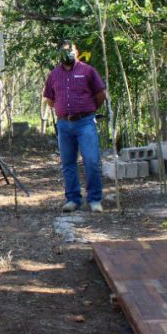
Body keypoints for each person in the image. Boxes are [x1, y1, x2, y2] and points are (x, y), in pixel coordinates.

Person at [43, 41, 107, 213]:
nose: (68, 54)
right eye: (64, 51)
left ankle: (94, 199)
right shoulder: (54, 74)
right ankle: (73, 199)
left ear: (77, 52)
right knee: (68, 163)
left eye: (71, 50)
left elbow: (100, 94)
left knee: (92, 160)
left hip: (85, 122)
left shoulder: (88, 71)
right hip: (64, 124)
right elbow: (49, 99)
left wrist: (90, 109)